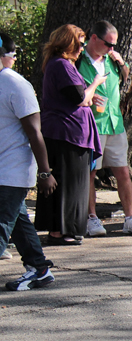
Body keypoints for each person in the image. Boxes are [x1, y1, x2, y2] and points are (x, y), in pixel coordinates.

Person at [77, 20, 132, 237]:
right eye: (108, 44)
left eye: (114, 45)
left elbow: (125, 79)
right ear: (94, 38)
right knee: (90, 172)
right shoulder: (78, 60)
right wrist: (89, 93)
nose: (111, 49)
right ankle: (91, 218)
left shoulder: (112, 60)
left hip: (114, 122)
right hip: (92, 125)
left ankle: (130, 218)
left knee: (123, 171)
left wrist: (122, 62)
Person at [36, 24, 103, 245]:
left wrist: (90, 96)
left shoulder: (62, 65)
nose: (82, 49)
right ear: (68, 44)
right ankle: (59, 232)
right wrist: (95, 84)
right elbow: (79, 98)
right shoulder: (61, 65)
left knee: (74, 183)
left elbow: (75, 96)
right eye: (80, 45)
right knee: (68, 183)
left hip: (70, 133)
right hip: (65, 134)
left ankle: (66, 230)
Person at [0, 34, 57, 289]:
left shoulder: (16, 85)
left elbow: (35, 132)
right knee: (19, 223)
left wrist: (44, 174)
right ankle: (39, 268)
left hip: (12, 171)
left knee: (2, 223)